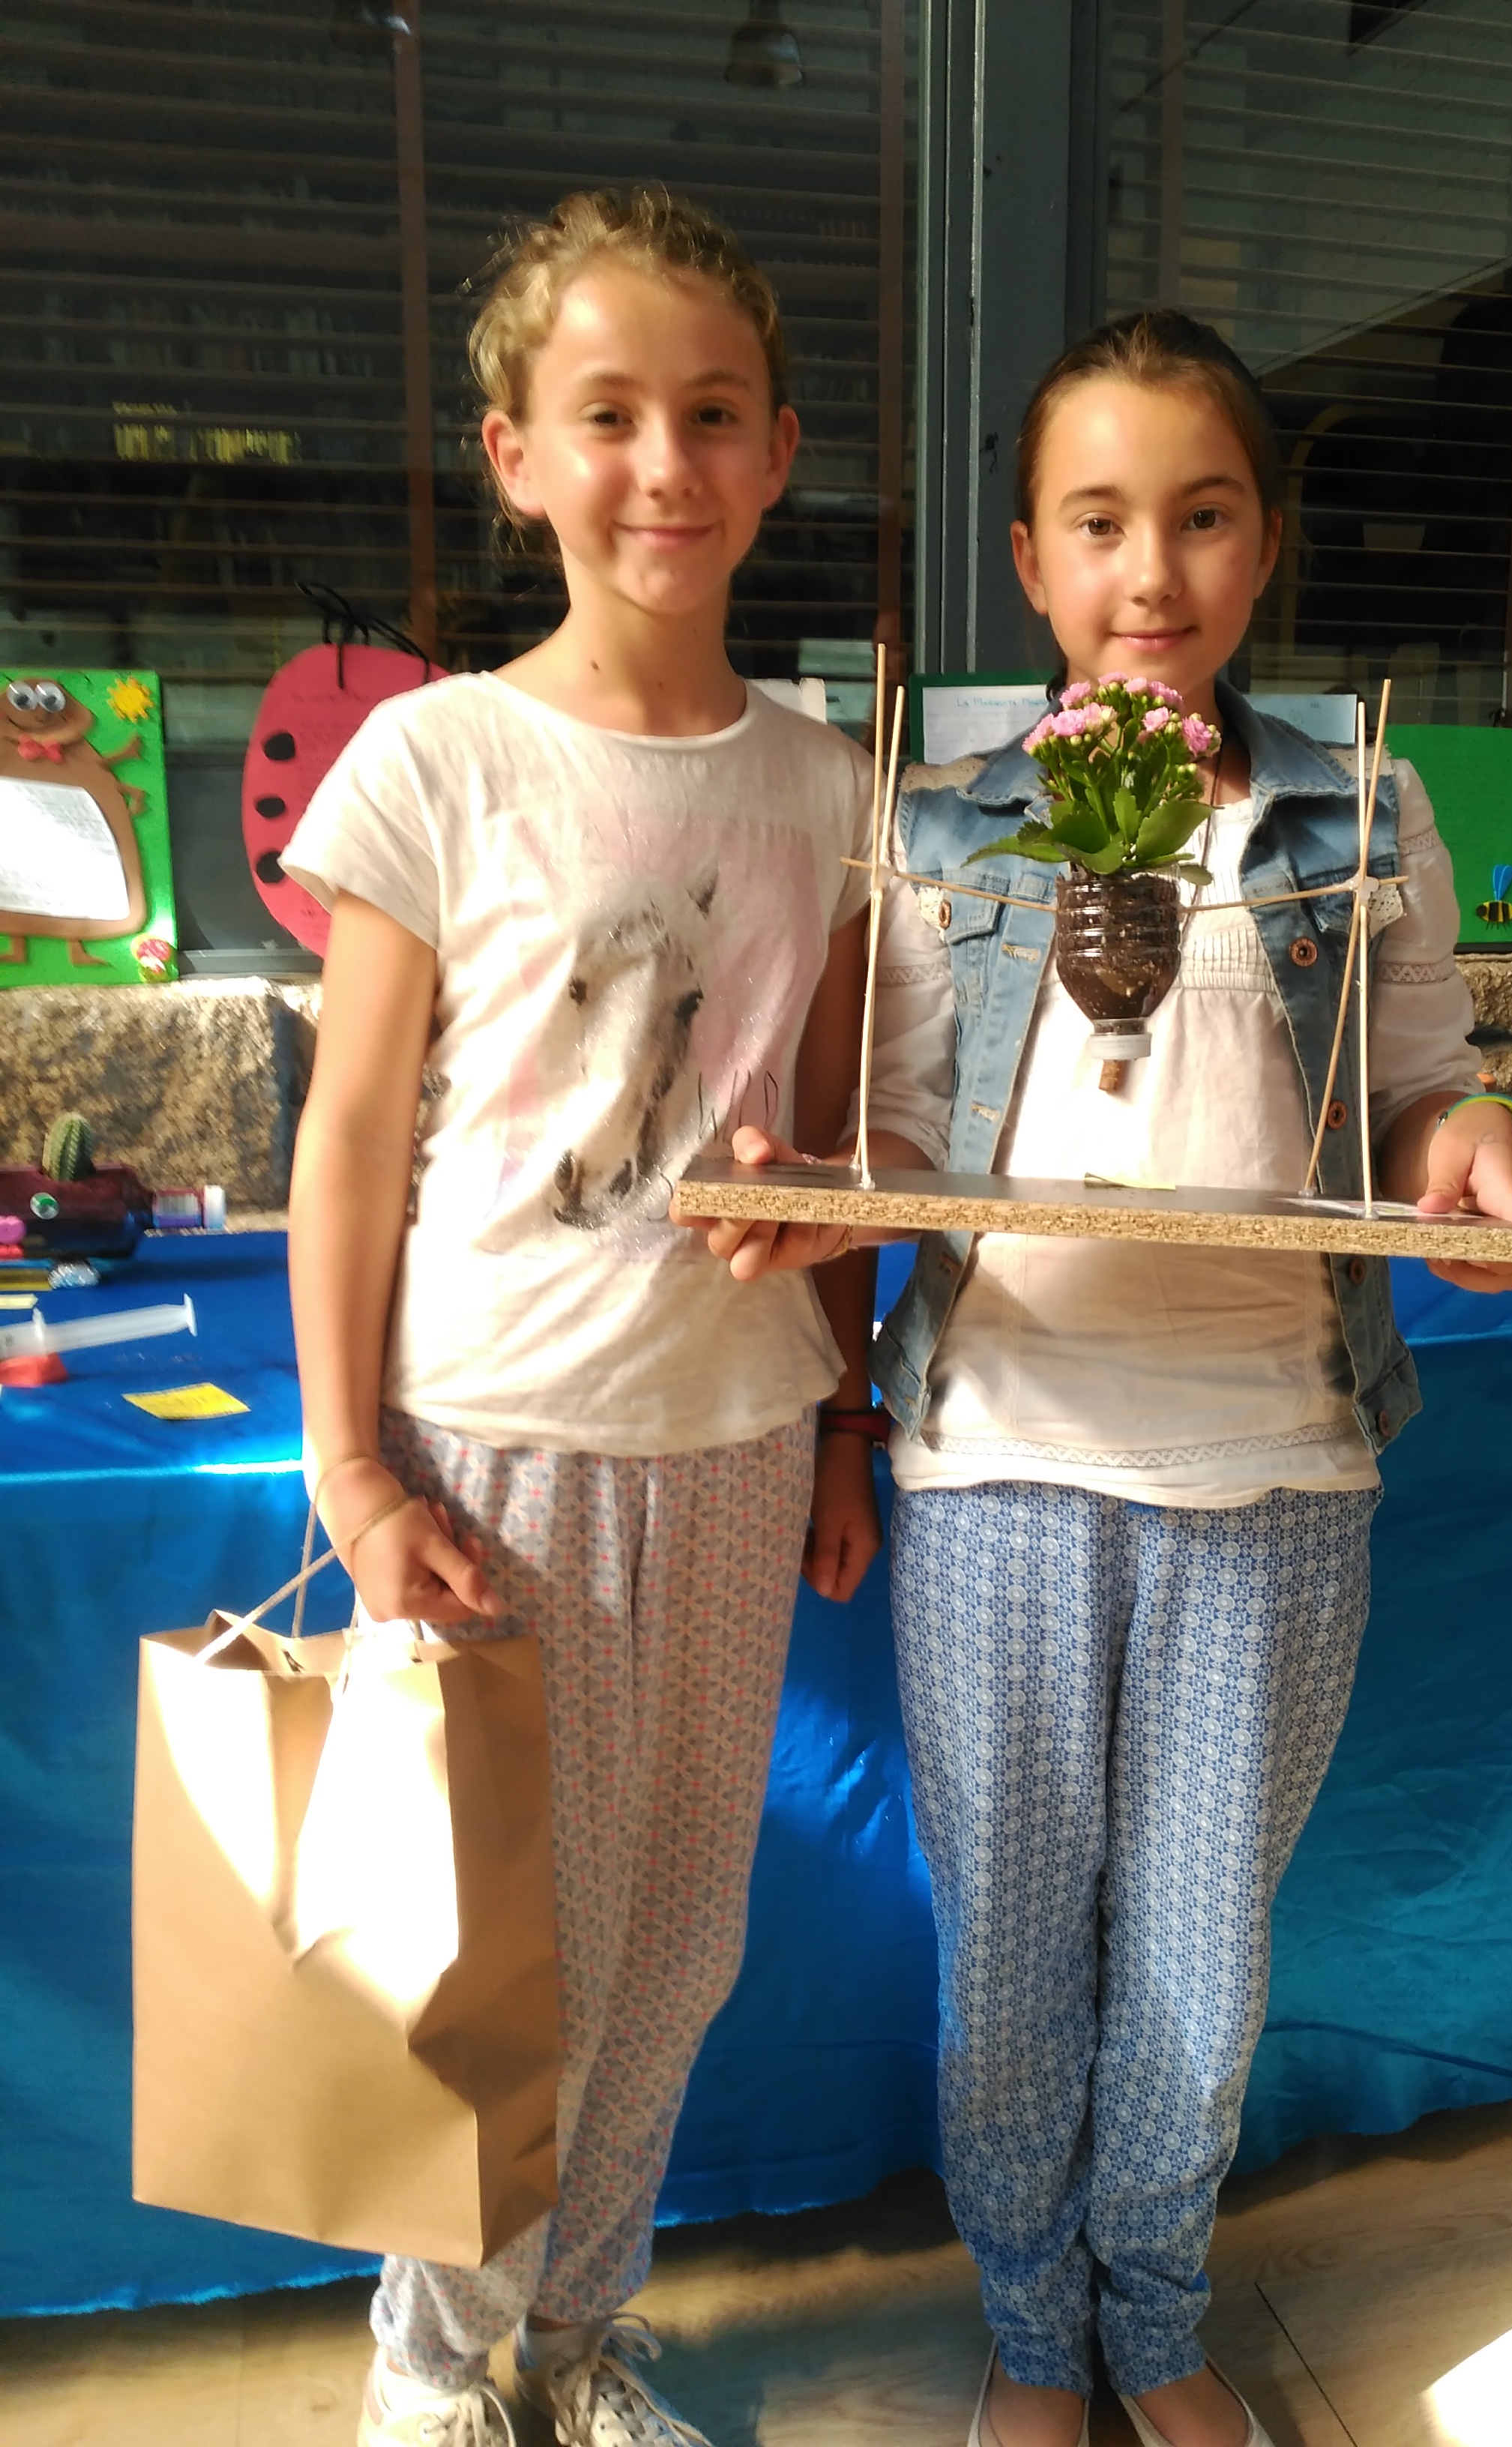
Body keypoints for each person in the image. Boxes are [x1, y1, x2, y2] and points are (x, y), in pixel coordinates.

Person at [694, 310, 1512, 2447]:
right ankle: (1027, 2331)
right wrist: (814, 1210)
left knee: (1198, 1959)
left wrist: (1474, 1150)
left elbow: (1420, 1092)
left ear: (1265, 544)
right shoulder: (949, 828)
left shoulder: (1358, 806)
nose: (1150, 571)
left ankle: (1151, 2321)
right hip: (998, 1463)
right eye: (1098, 523)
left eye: (1202, 516)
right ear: (1030, 559)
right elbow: (899, 1134)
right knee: (1009, 1951)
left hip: (1278, 1466)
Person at [284, 186, 884, 2447]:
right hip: (492, 1460)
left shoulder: (828, 788)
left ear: (780, 451)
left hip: (731, 1446)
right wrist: (354, 1468)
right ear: (515, 453)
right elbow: (353, 1135)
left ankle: (570, 2336)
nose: (666, 463)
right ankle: (434, 2365)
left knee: (677, 1950)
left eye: (714, 414)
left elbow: (845, 1143)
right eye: (609, 413)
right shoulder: (437, 760)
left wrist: (845, 1420)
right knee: (492, 1961)